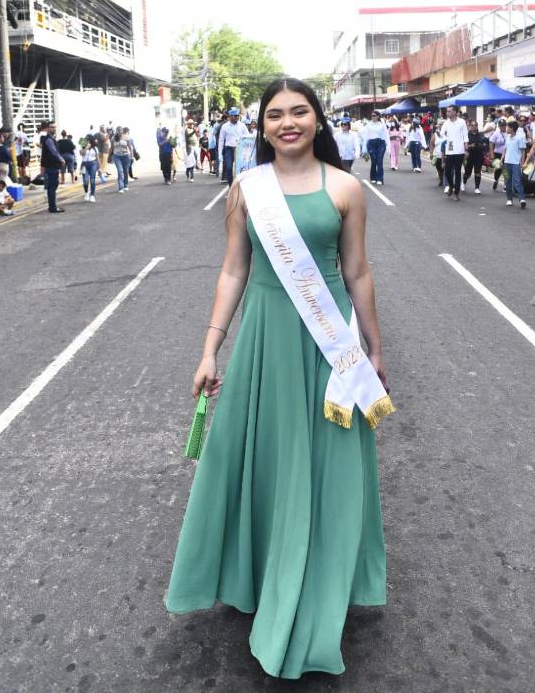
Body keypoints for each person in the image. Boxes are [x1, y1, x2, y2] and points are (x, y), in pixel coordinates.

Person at [165, 78, 393, 679]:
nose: (287, 123)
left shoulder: (345, 187)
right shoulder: (247, 189)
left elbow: (358, 270)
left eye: (299, 112)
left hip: (325, 349)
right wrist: (212, 348)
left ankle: (319, 580)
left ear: (318, 119)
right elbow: (234, 271)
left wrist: (374, 346)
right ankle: (261, 572)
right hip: (265, 342)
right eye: (275, 115)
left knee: (324, 462)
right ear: (261, 126)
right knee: (262, 460)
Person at [441, 105, 468, 201]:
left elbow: (465, 135)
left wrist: (466, 149)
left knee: (457, 172)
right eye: (447, 111)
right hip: (449, 150)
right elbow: (441, 134)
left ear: (455, 112)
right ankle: (451, 186)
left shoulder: (462, 122)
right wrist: (447, 139)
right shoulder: (446, 123)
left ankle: (456, 193)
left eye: (449, 111)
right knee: (447, 171)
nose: (447, 113)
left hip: (459, 150)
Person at [40, 120, 66, 213]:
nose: (54, 128)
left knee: (52, 186)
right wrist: (61, 159)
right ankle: (53, 207)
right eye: (52, 127)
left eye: (55, 127)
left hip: (51, 166)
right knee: (53, 186)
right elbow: (53, 152)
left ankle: (52, 206)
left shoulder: (50, 138)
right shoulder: (49, 139)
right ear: (47, 128)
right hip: (51, 166)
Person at [218, 108, 248, 186]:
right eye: (235, 116)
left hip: (239, 149)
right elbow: (221, 140)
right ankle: (231, 186)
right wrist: (219, 154)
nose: (237, 117)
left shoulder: (242, 125)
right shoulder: (225, 126)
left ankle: (241, 187)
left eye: (238, 116)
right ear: (230, 116)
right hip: (229, 149)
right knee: (228, 168)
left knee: (240, 169)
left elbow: (247, 138)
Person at [503, 118, 527, 209]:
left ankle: (522, 199)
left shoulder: (520, 137)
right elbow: (505, 150)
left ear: (512, 128)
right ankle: (509, 199)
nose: (506, 129)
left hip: (516, 163)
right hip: (506, 163)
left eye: (507, 127)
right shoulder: (507, 137)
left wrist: (522, 163)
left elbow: (523, 151)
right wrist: (502, 160)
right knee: (507, 181)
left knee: (517, 181)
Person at [361, 110, 388, 185]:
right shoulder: (368, 125)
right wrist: (364, 150)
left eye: (374, 116)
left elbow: (386, 136)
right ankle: (373, 177)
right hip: (371, 144)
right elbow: (365, 137)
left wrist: (388, 147)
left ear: (378, 116)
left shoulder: (382, 125)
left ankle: (380, 179)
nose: (372, 117)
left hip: (380, 143)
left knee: (379, 161)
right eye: (372, 116)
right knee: (374, 161)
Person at [463, 120, 486, 194]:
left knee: (477, 172)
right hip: (469, 155)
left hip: (478, 155)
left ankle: (477, 187)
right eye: (472, 125)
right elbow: (463, 145)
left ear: (477, 126)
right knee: (467, 172)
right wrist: (470, 146)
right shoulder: (467, 135)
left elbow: (485, 143)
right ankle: (463, 183)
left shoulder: (481, 135)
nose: (474, 127)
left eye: (475, 125)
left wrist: (482, 145)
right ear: (470, 126)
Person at [488, 118, 507, 192]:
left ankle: (505, 185)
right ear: (499, 126)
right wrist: (491, 153)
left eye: (504, 125)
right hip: (497, 153)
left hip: (506, 154)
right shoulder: (496, 133)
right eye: (501, 125)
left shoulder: (508, 133)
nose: (503, 127)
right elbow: (491, 143)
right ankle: (496, 180)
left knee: (505, 169)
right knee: (498, 169)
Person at [80, 134, 99, 203]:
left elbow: (97, 158)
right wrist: (86, 147)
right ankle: (86, 192)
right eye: (86, 140)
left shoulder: (95, 148)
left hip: (93, 164)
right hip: (84, 165)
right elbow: (82, 154)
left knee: (92, 180)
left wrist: (99, 168)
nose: (87, 141)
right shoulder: (82, 146)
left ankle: (92, 195)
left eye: (89, 140)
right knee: (85, 181)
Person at [111, 127, 131, 193]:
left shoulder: (126, 137)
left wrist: (132, 155)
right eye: (118, 130)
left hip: (126, 156)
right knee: (120, 171)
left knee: (125, 171)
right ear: (116, 131)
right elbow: (112, 148)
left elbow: (129, 146)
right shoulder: (113, 138)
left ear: (122, 131)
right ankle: (121, 187)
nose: (119, 131)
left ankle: (125, 185)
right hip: (117, 156)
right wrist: (110, 156)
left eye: (120, 130)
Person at [429, 121, 446, 187]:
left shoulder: (448, 133)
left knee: (446, 169)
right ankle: (441, 179)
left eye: (443, 125)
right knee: (439, 169)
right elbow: (431, 144)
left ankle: (446, 181)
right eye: (441, 125)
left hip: (446, 155)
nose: (442, 126)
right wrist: (431, 153)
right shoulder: (435, 134)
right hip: (437, 155)